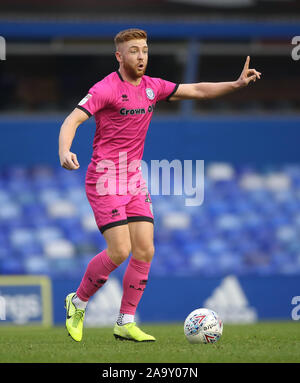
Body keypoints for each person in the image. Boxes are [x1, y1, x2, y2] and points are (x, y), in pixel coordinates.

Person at [58, 28, 261, 342]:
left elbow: (199, 91)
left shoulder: (154, 87)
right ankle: (79, 301)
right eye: (134, 51)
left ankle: (125, 322)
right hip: (105, 178)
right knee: (120, 249)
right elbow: (72, 119)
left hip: (134, 179)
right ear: (119, 56)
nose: (141, 56)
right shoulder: (105, 89)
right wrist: (65, 149)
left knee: (145, 249)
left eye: (145, 50)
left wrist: (235, 84)